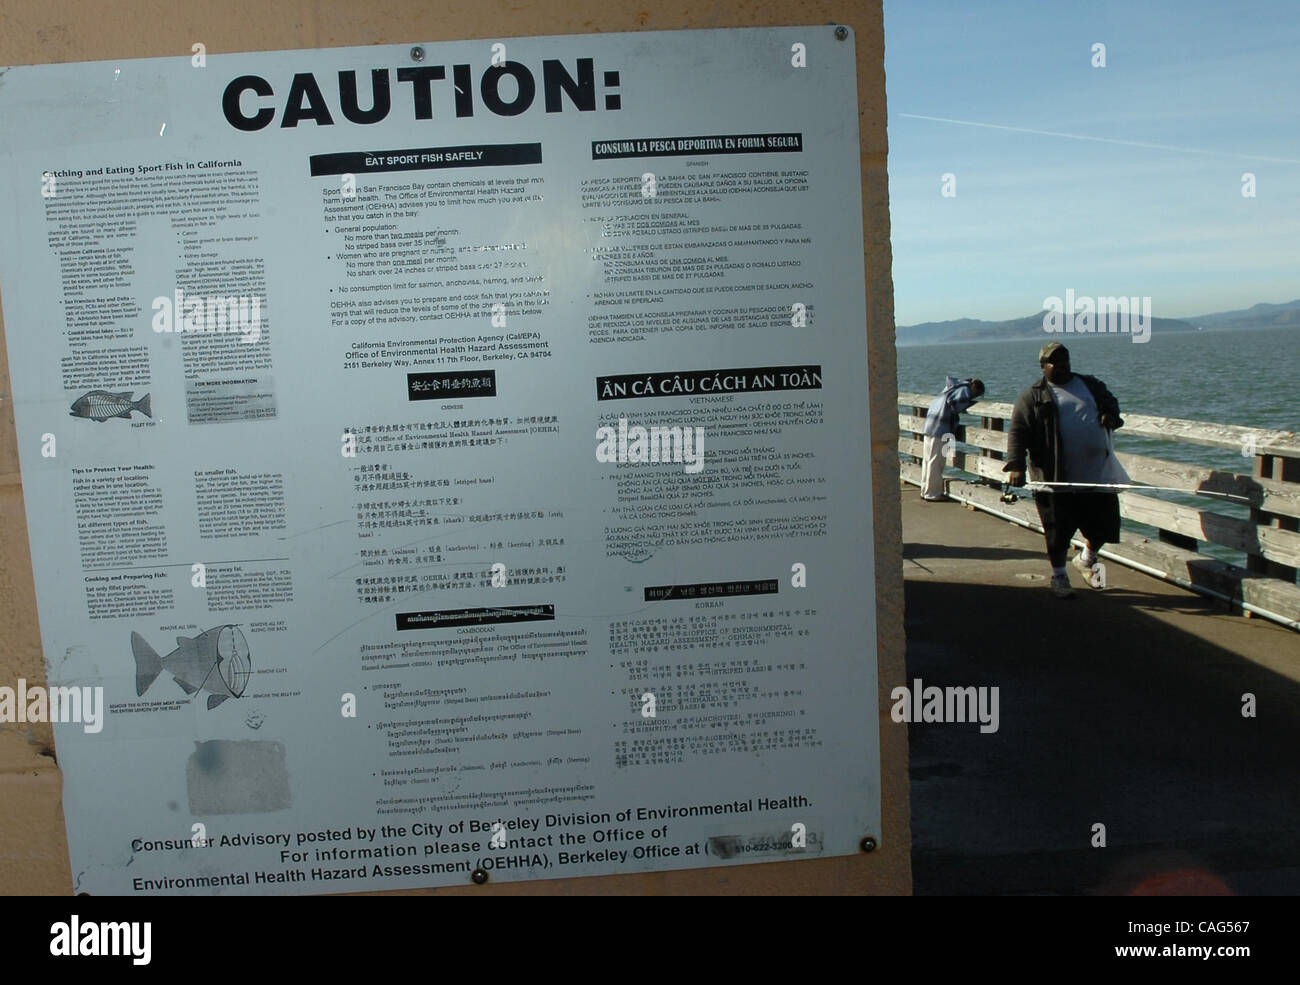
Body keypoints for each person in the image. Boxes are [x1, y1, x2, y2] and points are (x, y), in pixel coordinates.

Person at [1004, 342, 1128, 598]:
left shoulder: (1091, 385)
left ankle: (1086, 558)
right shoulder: (1033, 396)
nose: (1061, 366)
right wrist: (1016, 465)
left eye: (1065, 360)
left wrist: (1110, 415)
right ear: (1042, 366)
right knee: (1057, 530)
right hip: (1055, 478)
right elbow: (1018, 431)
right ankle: (1059, 576)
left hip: (1096, 474)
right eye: (1054, 362)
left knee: (1105, 525)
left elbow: (1111, 404)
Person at [920, 376, 985, 501]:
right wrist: (968, 402)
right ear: (974, 387)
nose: (974, 396)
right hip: (940, 428)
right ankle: (932, 494)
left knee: (928, 459)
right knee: (936, 461)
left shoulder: (950, 387)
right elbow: (955, 404)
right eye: (976, 394)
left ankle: (925, 490)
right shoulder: (964, 390)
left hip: (930, 425)